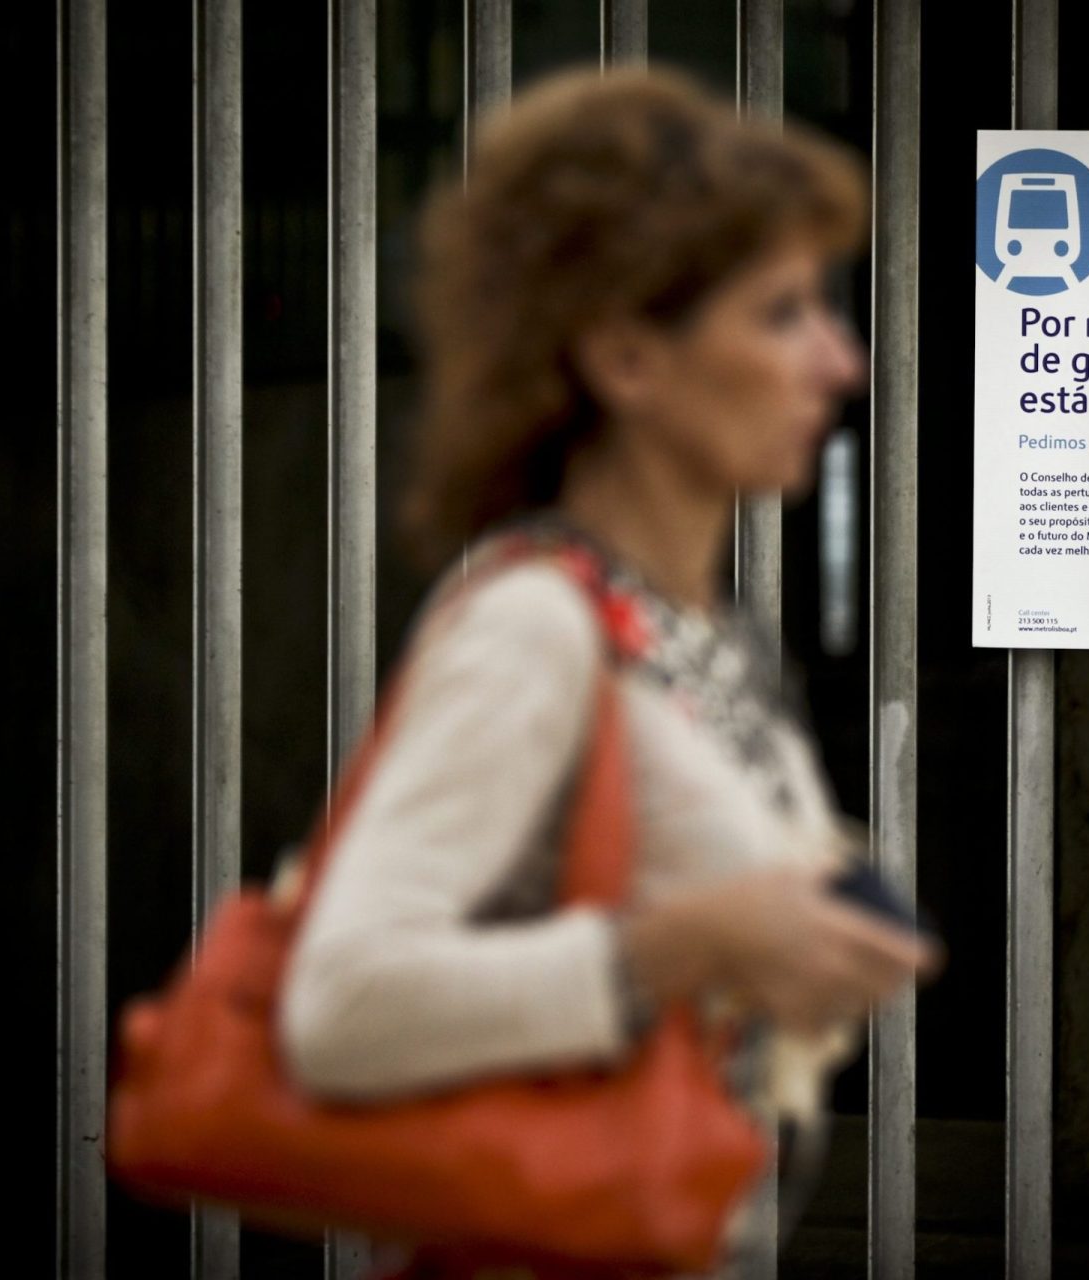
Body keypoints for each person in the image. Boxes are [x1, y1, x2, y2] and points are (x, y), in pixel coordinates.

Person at [275, 65, 941, 1277]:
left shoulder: (702, 629)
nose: (839, 362)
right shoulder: (532, 625)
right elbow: (340, 1006)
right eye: (782, 314)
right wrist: (686, 942)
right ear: (628, 355)